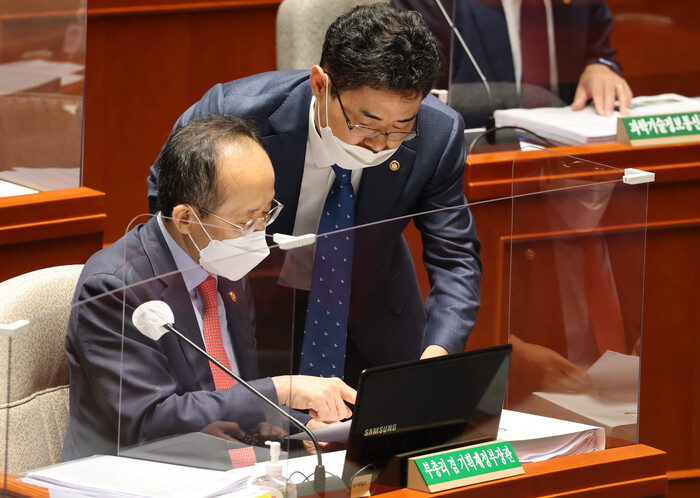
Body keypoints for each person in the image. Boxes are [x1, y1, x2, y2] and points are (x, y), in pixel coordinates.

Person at [146, 4, 482, 388]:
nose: (379, 146)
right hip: (248, 314)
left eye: (400, 128)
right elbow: (168, 205)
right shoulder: (234, 116)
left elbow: (456, 260)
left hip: (375, 325)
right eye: (364, 124)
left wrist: (437, 354)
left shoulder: (438, 134)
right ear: (321, 85)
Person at [63, 115, 356, 461]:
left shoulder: (223, 263)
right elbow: (150, 420)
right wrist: (282, 390)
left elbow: (233, 398)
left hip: (229, 468)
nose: (258, 233)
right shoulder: (115, 288)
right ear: (186, 219)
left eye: (267, 213)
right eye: (247, 220)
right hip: (138, 474)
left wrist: (302, 428)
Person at [391, 0, 633, 127]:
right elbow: (416, 93)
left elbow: (599, 50)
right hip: (473, 170)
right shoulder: (433, 4)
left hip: (573, 164)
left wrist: (600, 66)